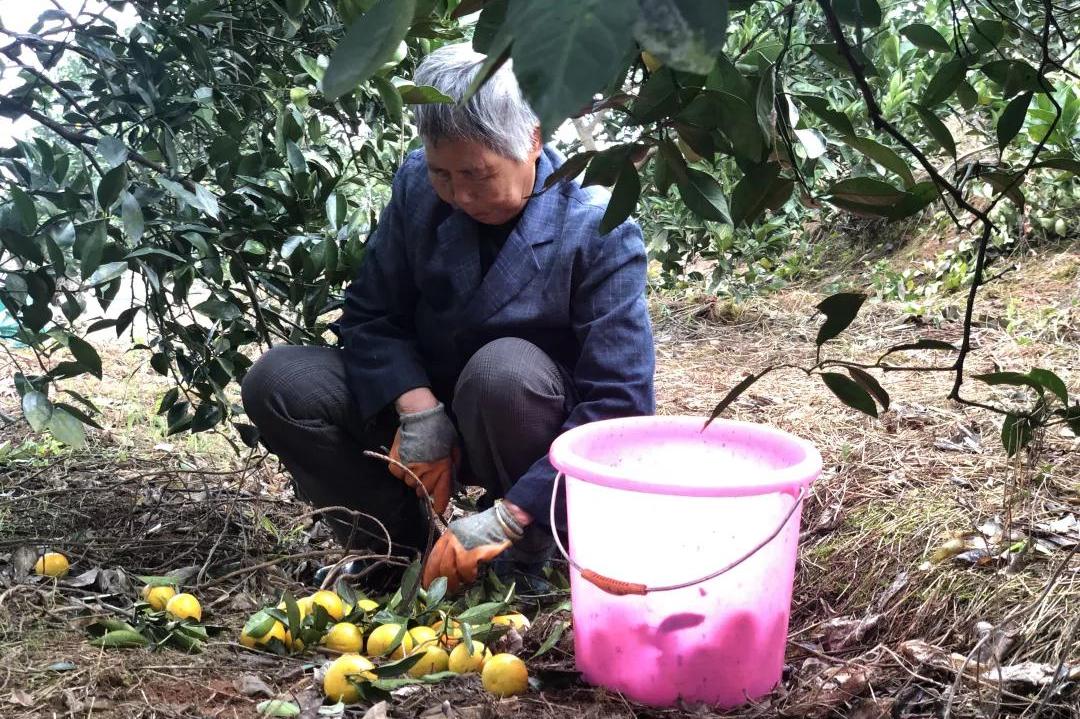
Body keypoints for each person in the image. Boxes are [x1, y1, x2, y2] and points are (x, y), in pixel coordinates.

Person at [241, 42, 655, 594]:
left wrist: (515, 513)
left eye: (477, 175)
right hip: (432, 410)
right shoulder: (418, 185)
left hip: (527, 429)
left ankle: (527, 558)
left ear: (532, 139)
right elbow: (371, 313)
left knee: (503, 371)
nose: (458, 195)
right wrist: (416, 409)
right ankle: (396, 552)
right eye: (443, 173)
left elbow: (620, 402)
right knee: (281, 382)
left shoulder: (598, 226)